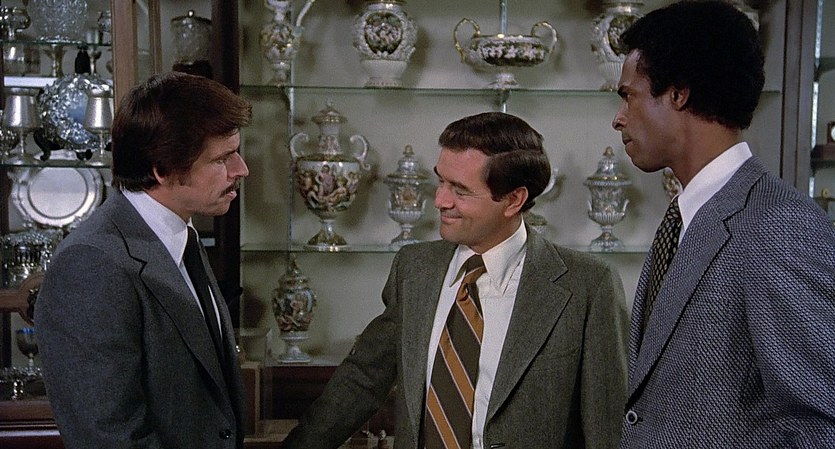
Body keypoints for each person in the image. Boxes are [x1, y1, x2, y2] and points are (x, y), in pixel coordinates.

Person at [282, 111, 630, 449]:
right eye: (441, 181)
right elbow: (363, 379)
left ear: (514, 200)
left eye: (460, 190)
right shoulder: (414, 270)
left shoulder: (587, 286)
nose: (439, 201)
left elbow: (608, 429)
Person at [612, 2, 835, 447]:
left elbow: (818, 424)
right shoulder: (686, 217)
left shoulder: (778, 225)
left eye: (628, 95)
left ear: (678, 94)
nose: (618, 117)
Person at [37, 72, 252, 449]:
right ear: (161, 169)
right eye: (222, 159)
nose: (241, 170)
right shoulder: (92, 265)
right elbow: (109, 437)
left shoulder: (182, 237)